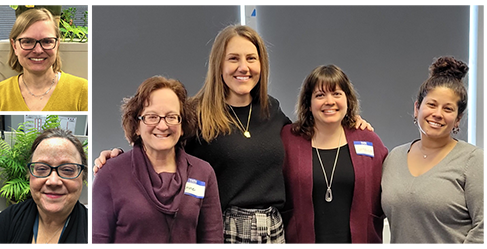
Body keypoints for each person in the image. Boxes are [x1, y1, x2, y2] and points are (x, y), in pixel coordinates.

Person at [93, 24, 372, 244]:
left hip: (274, 230)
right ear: (219, 65)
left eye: (251, 58)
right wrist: (118, 155)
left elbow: (306, 136)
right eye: (234, 59)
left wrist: (348, 122)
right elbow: (159, 142)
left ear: (261, 65)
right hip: (222, 230)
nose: (244, 67)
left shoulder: (270, 109)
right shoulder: (197, 113)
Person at [90, 76, 223, 244]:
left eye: (171, 117)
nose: (162, 126)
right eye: (152, 117)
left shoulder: (203, 173)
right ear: (137, 126)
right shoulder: (110, 174)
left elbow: (212, 240)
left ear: (182, 126)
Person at [381, 56, 484, 243]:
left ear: (458, 119)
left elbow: (483, 229)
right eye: (431, 104)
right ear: (417, 108)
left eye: (448, 109)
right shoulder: (393, 158)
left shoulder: (473, 161)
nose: (437, 114)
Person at [281, 65, 387, 244]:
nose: (329, 101)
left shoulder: (368, 139)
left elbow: (388, 192)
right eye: (320, 95)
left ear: (347, 99)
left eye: (337, 94)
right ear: (308, 103)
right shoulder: (288, 139)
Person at [0, 128, 90, 244]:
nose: (53, 181)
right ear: (29, 174)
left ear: (83, 176)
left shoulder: (98, 229)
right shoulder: (9, 219)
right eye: (41, 168)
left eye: (67, 169)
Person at [0, 8, 90, 113]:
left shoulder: (84, 92)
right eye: (28, 41)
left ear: (57, 45)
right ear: (15, 46)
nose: (38, 50)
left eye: (47, 41)